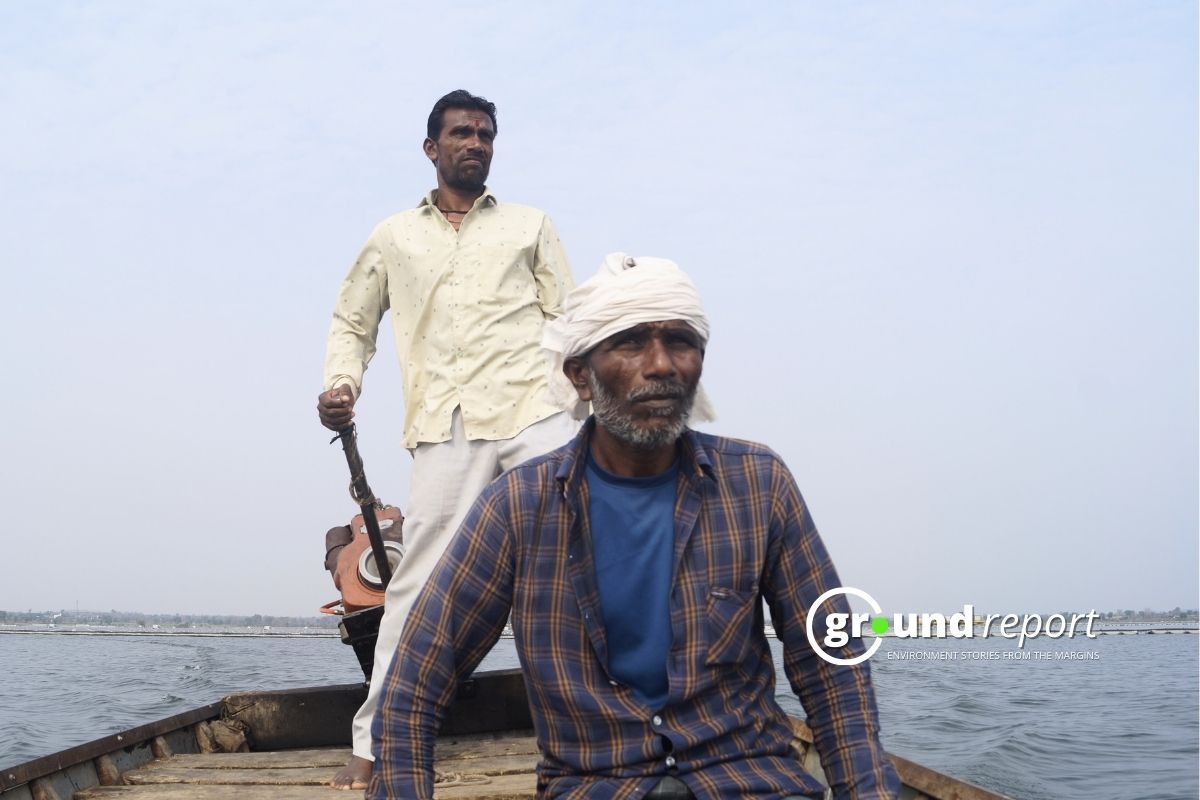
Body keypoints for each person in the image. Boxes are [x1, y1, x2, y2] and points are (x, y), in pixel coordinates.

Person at [367, 254, 901, 799]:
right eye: (630, 343)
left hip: (747, 776)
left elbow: (829, 660)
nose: (662, 365)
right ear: (580, 376)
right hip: (599, 783)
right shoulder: (518, 506)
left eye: (680, 342)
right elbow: (418, 680)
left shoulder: (759, 483)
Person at [318, 89, 577, 790]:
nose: (476, 143)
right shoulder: (394, 235)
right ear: (432, 149)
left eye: (486, 134)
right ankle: (376, 739)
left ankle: (602, 728)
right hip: (448, 424)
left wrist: (581, 404)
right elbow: (353, 322)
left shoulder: (530, 226)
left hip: (535, 413)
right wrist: (342, 386)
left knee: (570, 569)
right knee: (420, 584)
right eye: (462, 133)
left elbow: (569, 320)